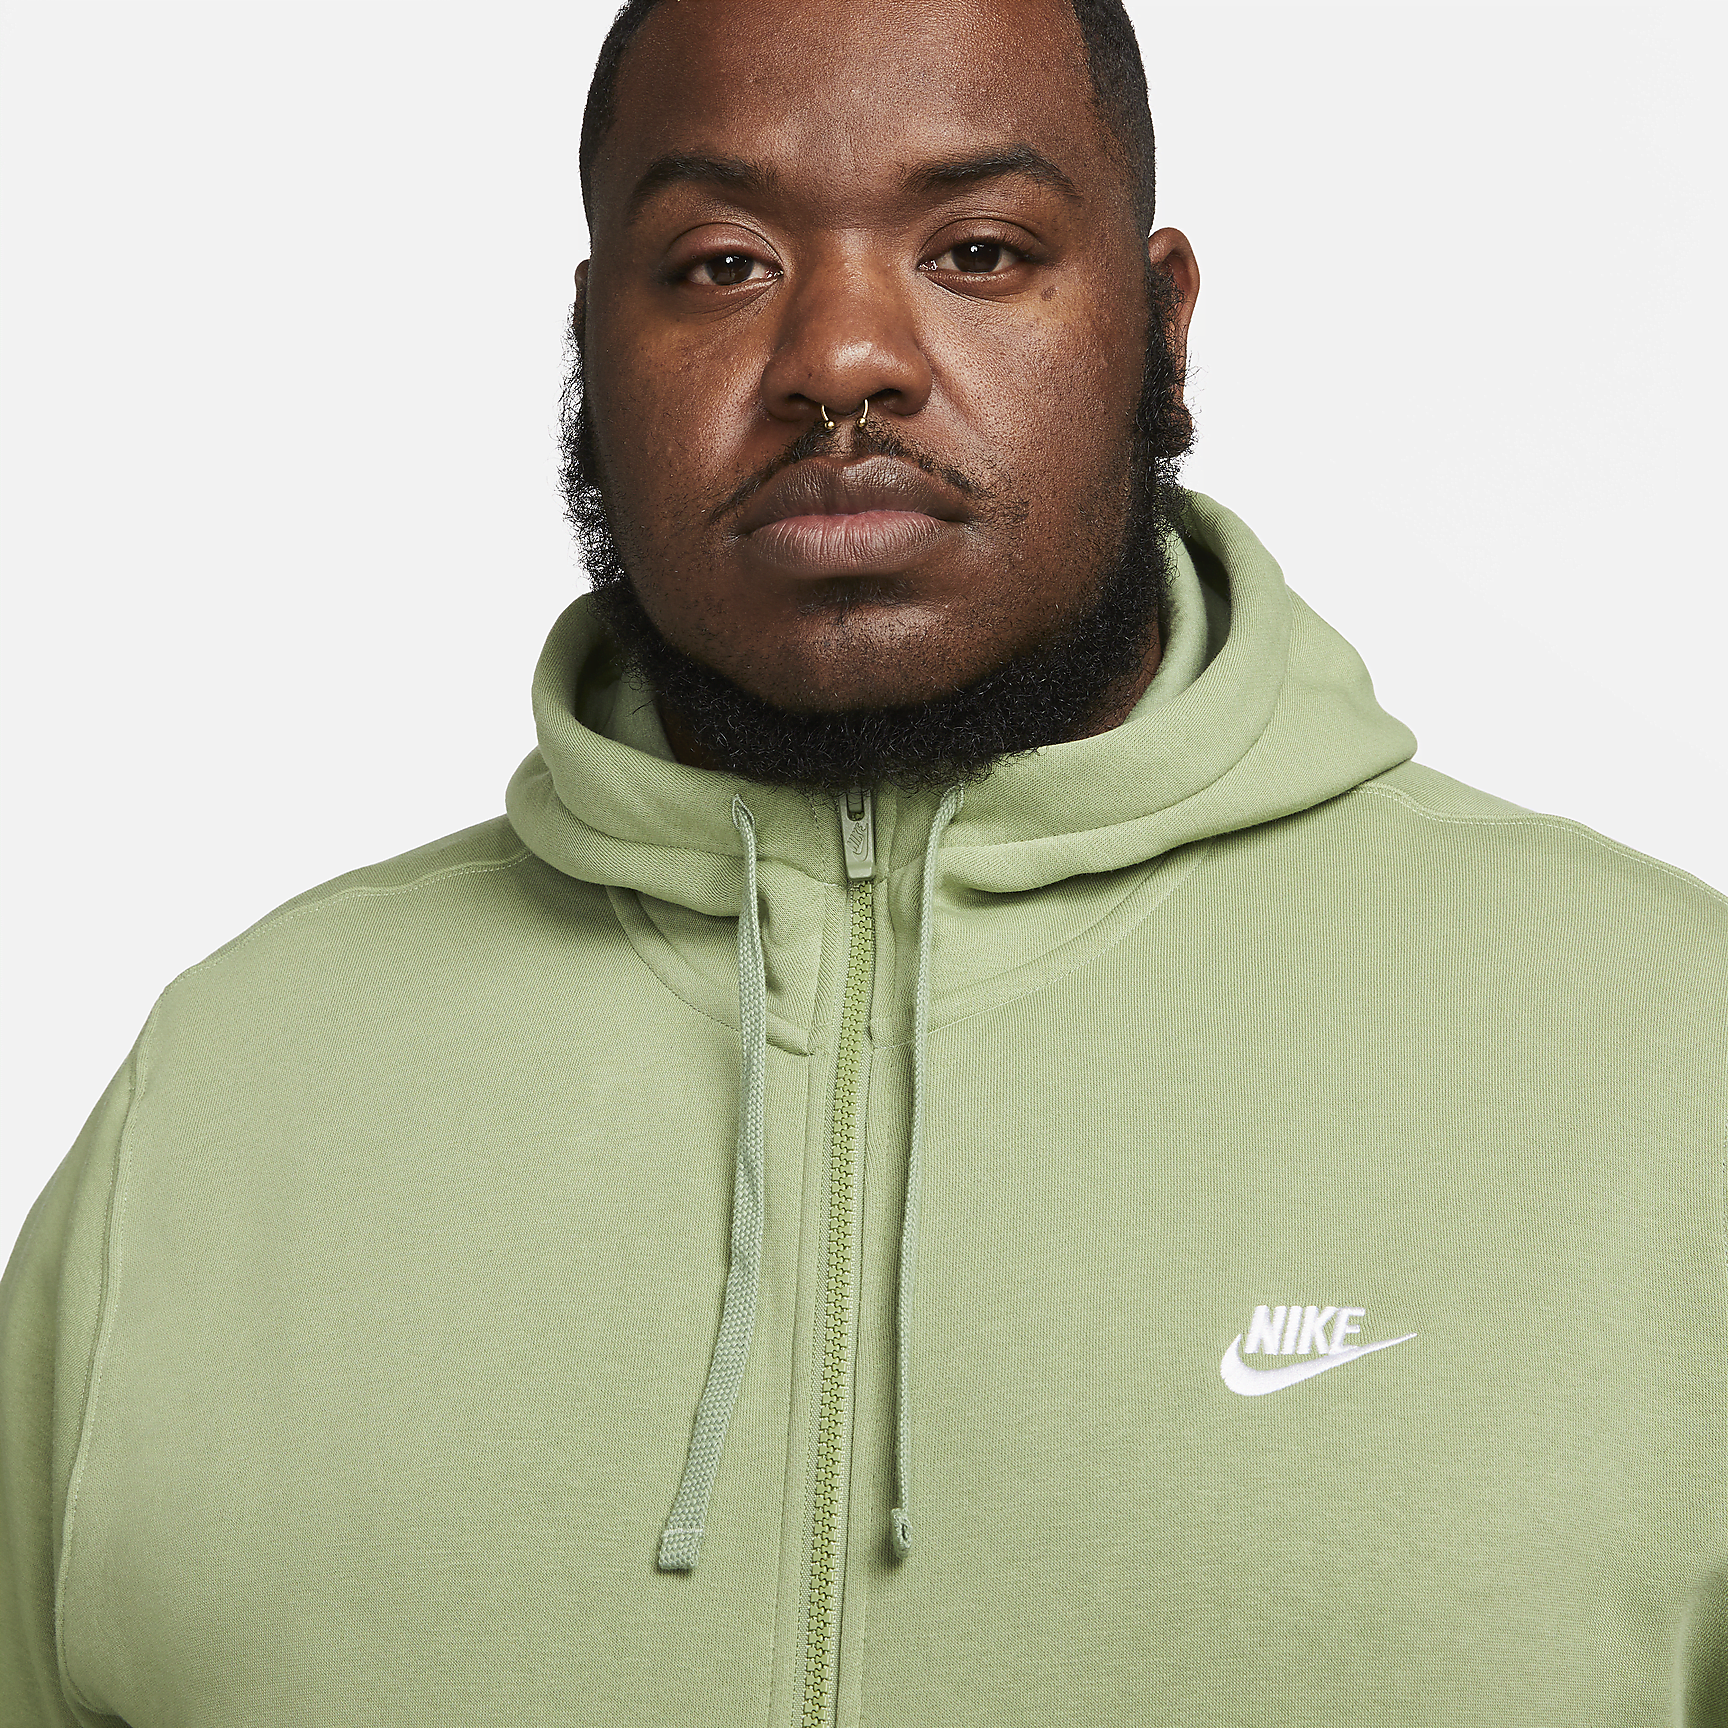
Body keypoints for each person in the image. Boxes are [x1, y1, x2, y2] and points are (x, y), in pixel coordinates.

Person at [3, 0, 1723, 1720]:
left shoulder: (1669, 1054)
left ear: (1164, 323)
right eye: (721, 264)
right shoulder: (221, 1100)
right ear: (590, 343)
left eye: (978, 252)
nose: (840, 356)